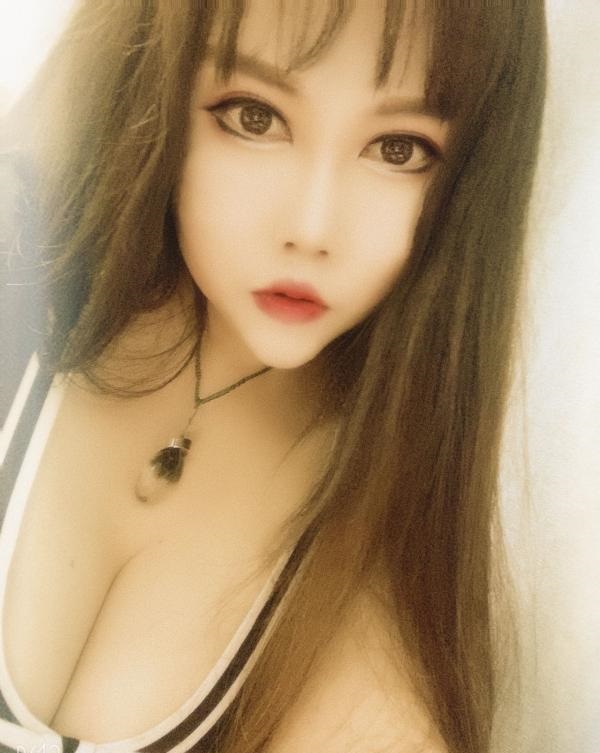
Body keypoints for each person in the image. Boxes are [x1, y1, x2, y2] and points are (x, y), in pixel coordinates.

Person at [0, 1, 547, 752]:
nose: (311, 228)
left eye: (398, 149)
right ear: (154, 88)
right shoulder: (18, 271)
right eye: (254, 117)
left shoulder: (369, 582)